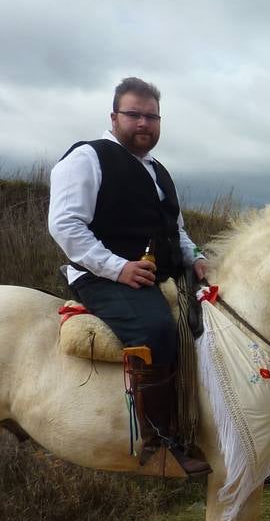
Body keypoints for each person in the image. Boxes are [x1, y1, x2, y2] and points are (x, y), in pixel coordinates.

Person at [48, 77, 209, 475]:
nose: (143, 123)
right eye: (133, 114)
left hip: (156, 273)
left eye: (151, 116)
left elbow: (176, 230)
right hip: (100, 276)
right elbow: (66, 225)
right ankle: (160, 440)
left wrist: (197, 258)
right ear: (114, 116)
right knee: (156, 330)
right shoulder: (87, 158)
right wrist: (118, 268)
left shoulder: (159, 171)